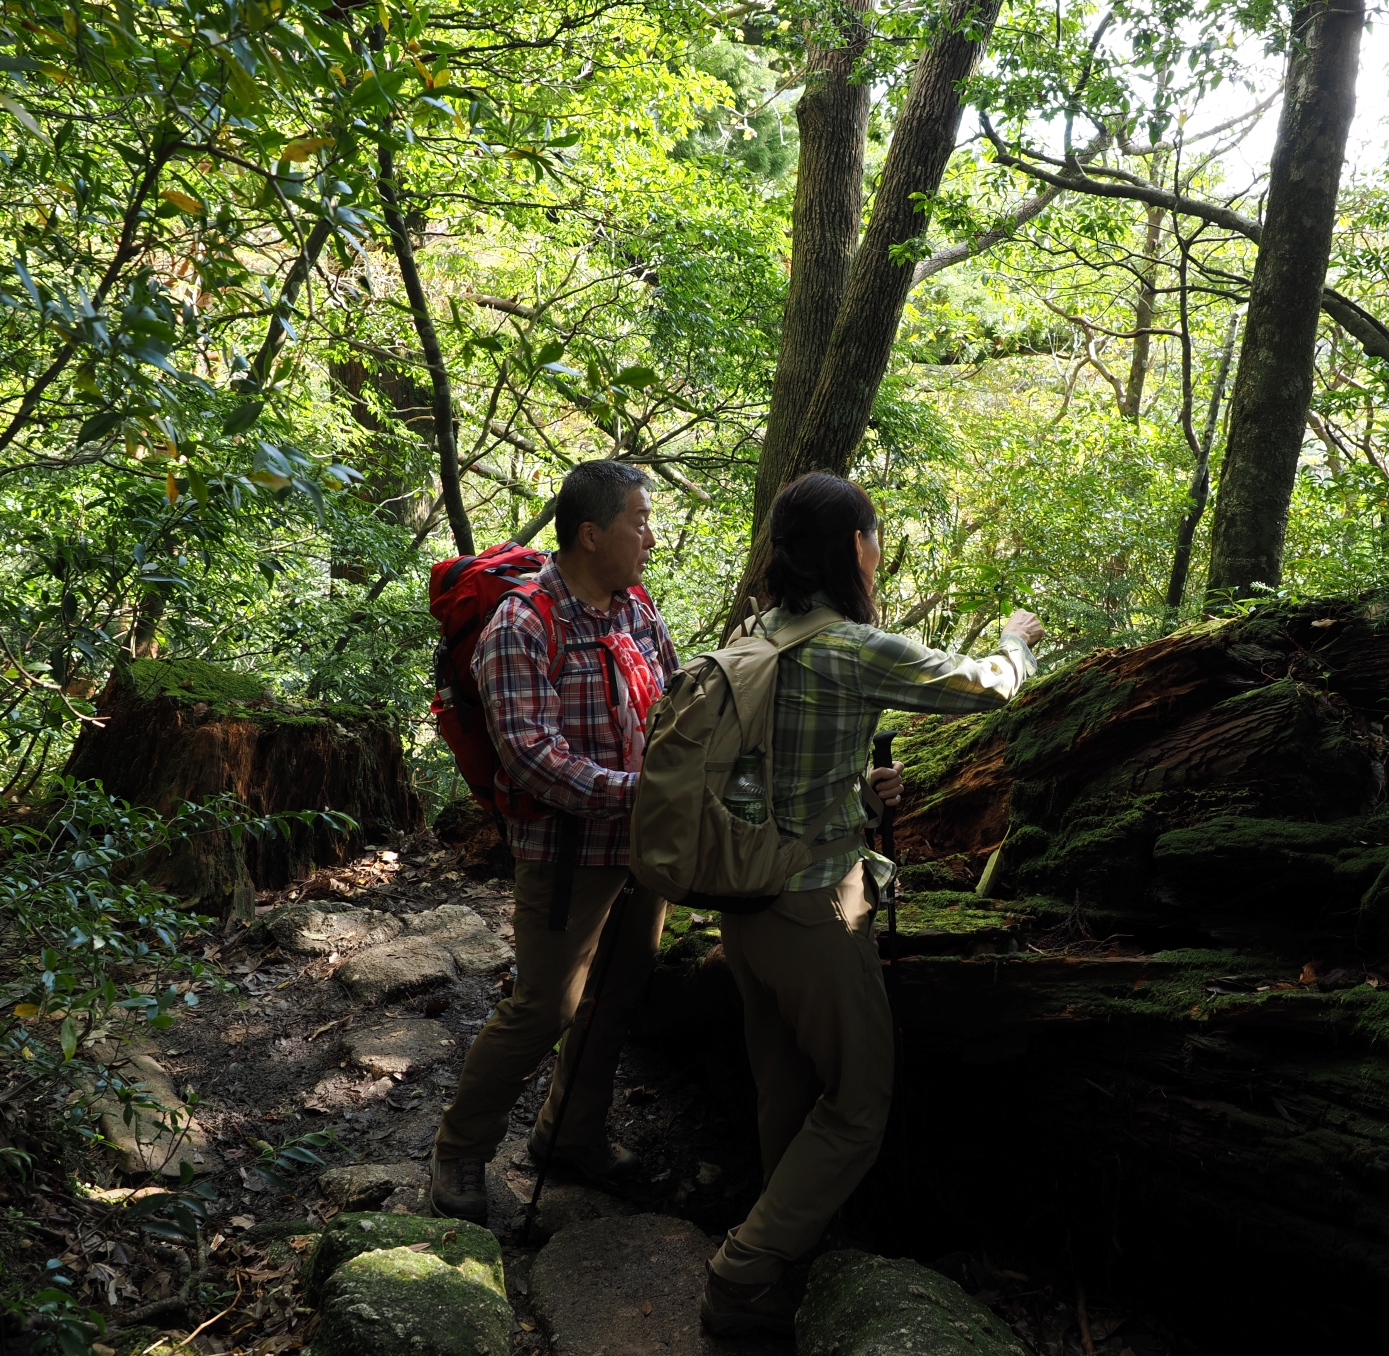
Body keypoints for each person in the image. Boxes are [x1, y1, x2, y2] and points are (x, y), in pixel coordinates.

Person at [699, 472, 1045, 1337]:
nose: (879, 550)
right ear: (852, 549)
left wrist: (857, 789)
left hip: (741, 903)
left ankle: (789, 1251)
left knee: (785, 1085)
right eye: (874, 535)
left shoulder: (758, 636)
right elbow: (987, 685)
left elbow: (766, 776)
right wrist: (1018, 639)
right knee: (858, 1101)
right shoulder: (850, 648)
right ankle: (744, 1271)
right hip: (814, 913)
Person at [430, 460, 679, 1225]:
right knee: (543, 1007)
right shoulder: (523, 622)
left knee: (617, 993)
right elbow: (528, 753)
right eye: (639, 521)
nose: (650, 537)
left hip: (644, 845)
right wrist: (642, 794)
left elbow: (672, 693)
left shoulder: (634, 606)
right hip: (568, 854)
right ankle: (459, 1157)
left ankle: (571, 1136)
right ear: (590, 532)